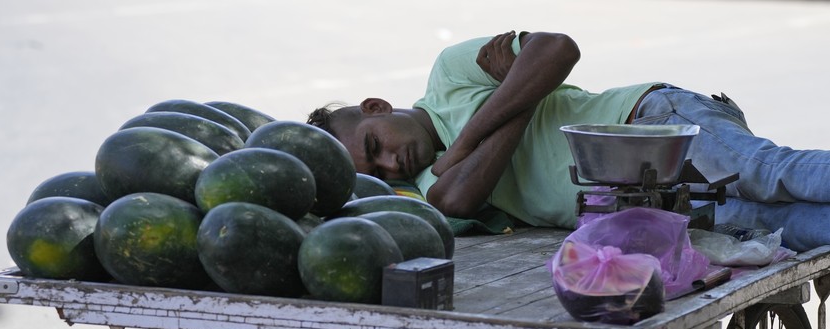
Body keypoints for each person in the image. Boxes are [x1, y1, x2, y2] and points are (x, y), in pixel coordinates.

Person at [307, 31, 830, 251]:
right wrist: (522, 95)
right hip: (642, 203)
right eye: (377, 171)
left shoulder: (450, 75)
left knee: (774, 174)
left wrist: (466, 146)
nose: (391, 163)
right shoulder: (427, 185)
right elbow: (457, 199)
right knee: (779, 227)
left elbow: (558, 48)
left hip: (648, 122)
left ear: (376, 108)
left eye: (376, 145)